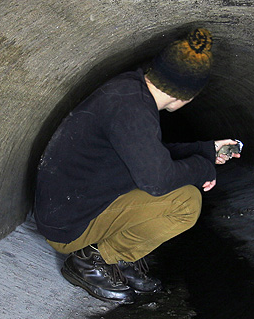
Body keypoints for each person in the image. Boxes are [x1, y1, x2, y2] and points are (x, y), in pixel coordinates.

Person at [33, 28, 242, 303]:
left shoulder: (130, 92)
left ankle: (118, 259)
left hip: (71, 209)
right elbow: (158, 180)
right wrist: (203, 168)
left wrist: (204, 150)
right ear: (186, 96)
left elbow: (148, 155)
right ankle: (93, 259)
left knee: (173, 190)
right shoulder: (133, 111)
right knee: (186, 203)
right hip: (70, 227)